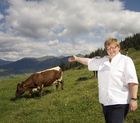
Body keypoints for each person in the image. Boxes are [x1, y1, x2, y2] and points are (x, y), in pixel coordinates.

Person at [68, 38, 139, 123]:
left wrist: (134, 99)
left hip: (119, 101)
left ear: (118, 47)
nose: (111, 50)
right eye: (108, 48)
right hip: (105, 102)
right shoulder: (103, 60)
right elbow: (89, 62)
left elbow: (132, 81)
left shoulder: (126, 60)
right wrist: (77, 58)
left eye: (113, 47)